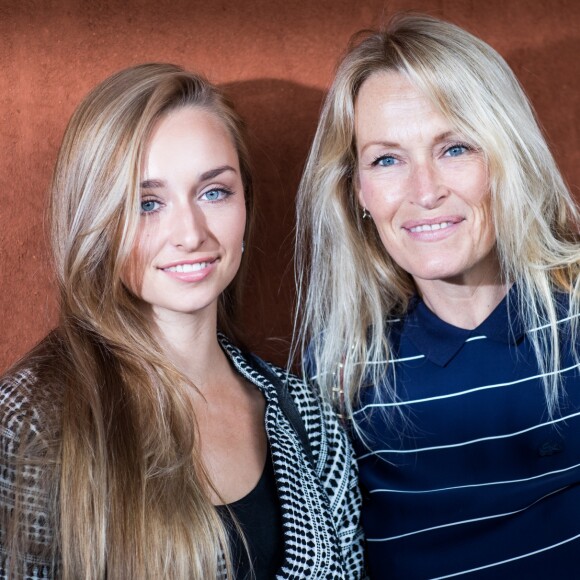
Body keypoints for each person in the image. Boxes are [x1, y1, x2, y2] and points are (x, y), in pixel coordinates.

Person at [0, 63, 364, 579]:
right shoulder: (30, 421)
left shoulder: (310, 422)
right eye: (148, 203)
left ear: (246, 203)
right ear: (95, 218)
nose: (190, 233)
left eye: (214, 192)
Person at [295, 13, 580, 579]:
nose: (425, 192)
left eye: (454, 149)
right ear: (358, 192)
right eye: (387, 159)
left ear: (507, 158)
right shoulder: (338, 371)